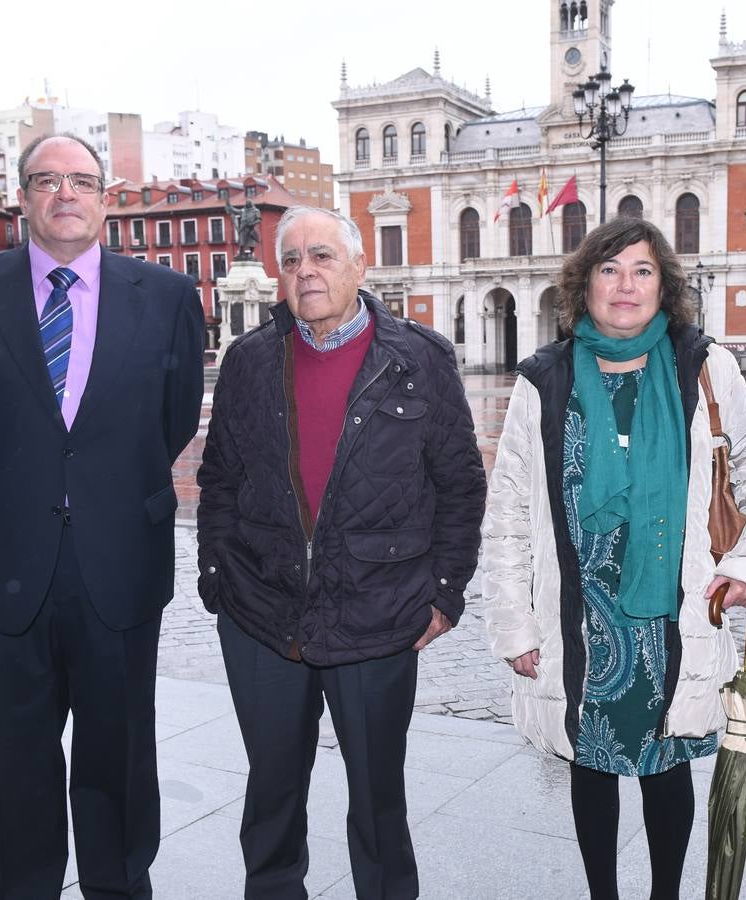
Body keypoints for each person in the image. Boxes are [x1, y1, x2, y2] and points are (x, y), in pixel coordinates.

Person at [0, 132, 206, 898]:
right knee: (16, 753)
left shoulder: (167, 297)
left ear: (106, 198)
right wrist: (20, 484)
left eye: (81, 181)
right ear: (23, 197)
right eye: (48, 181)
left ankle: (117, 886)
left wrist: (101, 486)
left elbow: (171, 423)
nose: (65, 195)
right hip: (9, 557)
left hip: (120, 559)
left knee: (119, 752)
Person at [480, 216, 746, 899]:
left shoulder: (703, 365)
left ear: (664, 285)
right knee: (589, 763)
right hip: (577, 611)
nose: (626, 285)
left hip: (670, 608)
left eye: (642, 271)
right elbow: (508, 514)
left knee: (665, 762)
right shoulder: (544, 381)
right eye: (610, 270)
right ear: (583, 285)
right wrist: (514, 624)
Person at [196, 206, 485, 899]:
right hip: (262, 614)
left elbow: (461, 483)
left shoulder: (418, 358)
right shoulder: (248, 361)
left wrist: (445, 591)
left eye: (322, 256)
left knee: (378, 801)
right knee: (270, 796)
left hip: (377, 617)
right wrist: (217, 576)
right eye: (291, 260)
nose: (306, 272)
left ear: (360, 266)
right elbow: (220, 479)